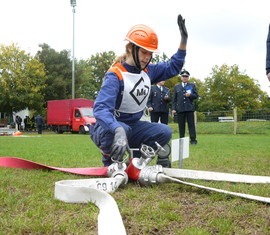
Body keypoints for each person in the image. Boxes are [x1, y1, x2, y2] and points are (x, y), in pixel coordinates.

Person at [89, 14, 188, 167]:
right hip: (110, 129)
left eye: (150, 53)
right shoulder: (115, 75)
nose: (147, 58)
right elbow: (101, 109)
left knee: (165, 131)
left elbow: (173, 67)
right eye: (144, 52)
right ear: (130, 48)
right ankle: (110, 162)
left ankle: (137, 163)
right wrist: (117, 129)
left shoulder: (148, 71)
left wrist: (183, 41)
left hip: (134, 126)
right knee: (121, 129)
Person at [172, 70, 198, 145]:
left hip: (189, 108)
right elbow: (174, 99)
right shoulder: (177, 86)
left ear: (188, 78)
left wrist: (190, 95)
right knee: (181, 125)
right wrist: (173, 108)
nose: (184, 78)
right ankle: (182, 139)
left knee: (191, 125)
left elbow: (196, 96)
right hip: (180, 109)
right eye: (183, 76)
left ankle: (193, 140)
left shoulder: (192, 85)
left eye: (186, 77)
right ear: (181, 78)